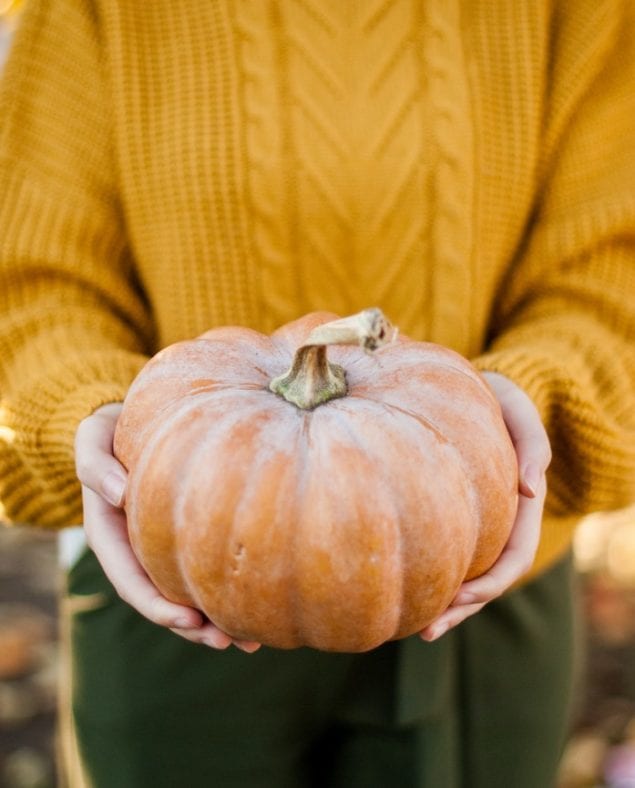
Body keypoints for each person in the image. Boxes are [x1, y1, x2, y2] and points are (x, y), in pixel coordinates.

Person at [0, 1, 633, 786]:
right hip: (168, 568)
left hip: (480, 576)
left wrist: (513, 409)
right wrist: (93, 416)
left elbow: (613, 266)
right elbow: (30, 284)